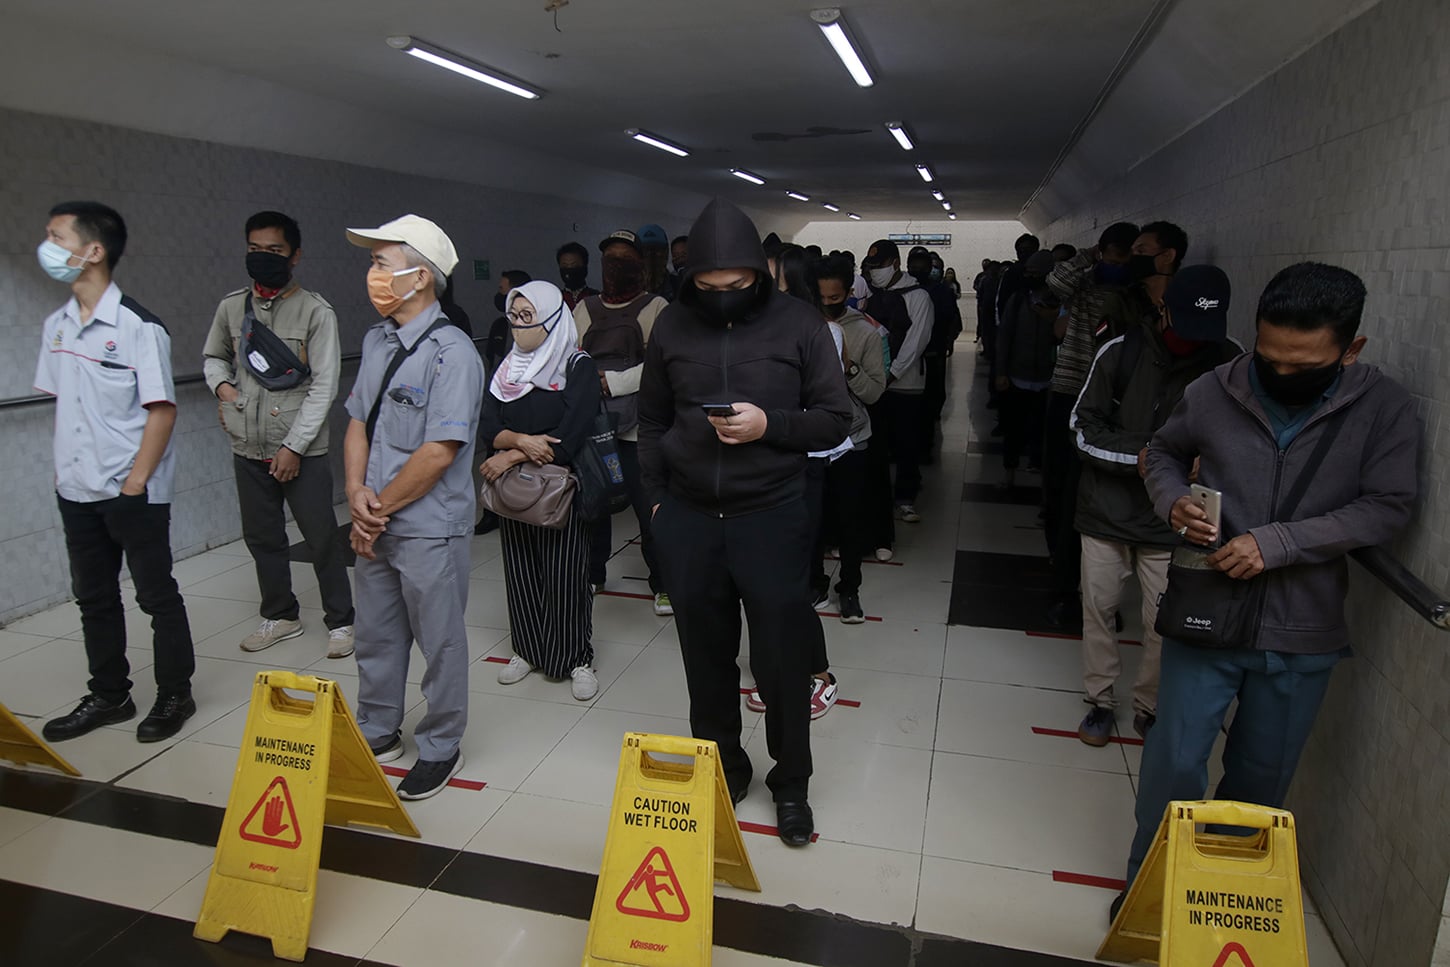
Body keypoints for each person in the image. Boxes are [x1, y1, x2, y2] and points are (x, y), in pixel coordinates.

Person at [1114, 262, 1419, 917]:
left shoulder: (1384, 409)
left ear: (1351, 349)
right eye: (1268, 356)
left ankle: (1219, 906)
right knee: (1173, 762)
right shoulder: (1214, 388)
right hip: (1206, 611)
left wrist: (1278, 543)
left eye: (1302, 365)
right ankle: (1150, 891)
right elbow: (1162, 452)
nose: (1279, 373)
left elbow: (1387, 506)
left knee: (1259, 779)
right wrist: (1172, 500)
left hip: (1301, 627)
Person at [639, 197, 852, 846]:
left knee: (781, 662)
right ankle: (724, 770)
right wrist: (656, 504)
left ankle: (792, 785)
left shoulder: (799, 324)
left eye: (735, 284)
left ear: (759, 273)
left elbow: (835, 419)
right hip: (689, 517)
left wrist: (770, 425)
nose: (722, 296)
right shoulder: (672, 325)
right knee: (705, 660)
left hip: (772, 515)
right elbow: (650, 421)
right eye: (708, 287)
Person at [34, 201, 197, 744]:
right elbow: (65, 404)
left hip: (132, 490)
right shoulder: (57, 326)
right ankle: (109, 695)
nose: (47, 247)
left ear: (94, 251)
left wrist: (134, 484)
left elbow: (162, 410)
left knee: (156, 596)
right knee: (94, 597)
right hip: (76, 490)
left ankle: (175, 693)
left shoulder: (138, 327)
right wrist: (64, 474)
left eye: (58, 237)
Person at [342, 214, 485, 801]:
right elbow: (358, 422)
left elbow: (438, 452)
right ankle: (377, 728)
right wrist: (355, 491)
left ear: (420, 277)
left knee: (440, 641)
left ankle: (440, 745)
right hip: (374, 516)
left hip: (428, 526)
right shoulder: (377, 341)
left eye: (381, 263)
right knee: (375, 633)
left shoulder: (453, 354)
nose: (372, 274)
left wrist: (376, 509)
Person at [1070, 266, 1241, 747]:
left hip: (1177, 520)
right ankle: (1101, 700)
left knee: (1162, 621)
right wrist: (1147, 457)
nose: (1195, 339)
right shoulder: (1120, 352)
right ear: (1163, 310)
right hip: (1107, 511)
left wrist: (1210, 461)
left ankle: (1149, 706)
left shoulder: (1230, 361)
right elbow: (1082, 428)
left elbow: (1245, 439)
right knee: (1100, 609)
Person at [202, 210, 354, 659]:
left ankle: (341, 620)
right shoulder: (232, 307)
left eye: (274, 250)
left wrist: (293, 447)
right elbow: (213, 356)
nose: (263, 257)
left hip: (302, 449)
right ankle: (281, 614)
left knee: (321, 537)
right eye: (255, 249)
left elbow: (324, 386)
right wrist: (224, 388)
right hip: (247, 445)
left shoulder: (315, 311)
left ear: (294, 255)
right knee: (262, 536)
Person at [482, 281, 603, 700]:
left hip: (560, 487)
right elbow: (488, 425)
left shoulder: (576, 365)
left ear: (552, 319)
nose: (517, 325)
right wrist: (520, 442)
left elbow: (568, 437)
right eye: (513, 316)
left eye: (527, 317)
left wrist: (512, 454)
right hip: (514, 489)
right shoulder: (507, 368)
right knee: (520, 570)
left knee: (565, 574)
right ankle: (527, 649)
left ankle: (577, 659)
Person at [1042, 221, 1141, 627]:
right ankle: (1063, 578)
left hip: (1115, 402)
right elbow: (1055, 280)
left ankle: (1100, 593)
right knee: (1061, 489)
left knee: (1102, 498)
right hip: (1070, 389)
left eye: (1127, 257)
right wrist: (1090, 256)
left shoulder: (1137, 295)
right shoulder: (1083, 285)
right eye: (1115, 255)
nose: (1120, 264)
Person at [578, 230, 670, 608]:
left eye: (624, 259)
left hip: (640, 428)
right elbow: (569, 357)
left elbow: (663, 365)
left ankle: (663, 582)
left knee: (649, 508)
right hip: (593, 425)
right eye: (609, 259)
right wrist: (590, 382)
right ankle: (592, 574)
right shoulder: (585, 308)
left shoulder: (656, 306)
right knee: (593, 505)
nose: (615, 267)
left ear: (640, 264)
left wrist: (611, 382)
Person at [812, 255, 886, 623]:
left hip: (852, 438)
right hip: (811, 438)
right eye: (821, 297)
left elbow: (874, 392)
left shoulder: (867, 332)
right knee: (811, 517)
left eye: (835, 298)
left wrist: (847, 365)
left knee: (850, 519)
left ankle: (850, 588)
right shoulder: (801, 325)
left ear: (849, 293)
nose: (828, 304)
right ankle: (814, 582)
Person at [861, 239, 935, 524]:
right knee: (876, 442)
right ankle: (877, 495)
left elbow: (916, 342)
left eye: (878, 266)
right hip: (874, 384)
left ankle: (905, 498)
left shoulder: (918, 297)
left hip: (906, 384)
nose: (874, 271)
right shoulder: (873, 295)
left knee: (906, 443)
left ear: (895, 263)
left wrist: (890, 374)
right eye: (870, 266)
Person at [994, 251, 1058, 487]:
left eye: (1036, 272)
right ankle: (1009, 471)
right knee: (1014, 427)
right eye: (1028, 272)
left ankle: (1039, 466)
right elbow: (1005, 336)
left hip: (1048, 377)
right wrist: (1001, 371)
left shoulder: (1061, 302)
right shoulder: (1019, 299)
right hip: (1017, 374)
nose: (1031, 276)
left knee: (1043, 428)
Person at [914, 249, 963, 463]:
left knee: (931, 397)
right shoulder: (906, 290)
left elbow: (950, 318)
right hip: (910, 355)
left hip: (933, 351)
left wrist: (948, 341)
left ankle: (925, 445)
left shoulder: (942, 291)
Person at [637, 223, 676, 300]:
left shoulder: (680, 287)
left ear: (666, 252)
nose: (651, 255)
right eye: (645, 251)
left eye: (657, 250)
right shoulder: (626, 289)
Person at [557, 241, 599, 312]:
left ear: (585, 266)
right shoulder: (556, 299)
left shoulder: (596, 298)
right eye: (565, 266)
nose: (569, 269)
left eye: (574, 265)